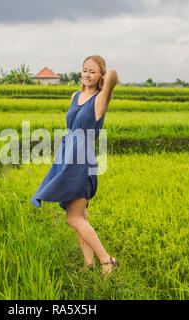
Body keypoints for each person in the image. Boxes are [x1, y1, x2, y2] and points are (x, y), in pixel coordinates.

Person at [31, 55, 120, 277]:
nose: (87, 74)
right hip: (67, 157)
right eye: (84, 70)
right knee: (81, 216)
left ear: (100, 74)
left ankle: (107, 260)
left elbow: (113, 76)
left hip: (82, 161)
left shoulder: (101, 100)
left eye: (93, 71)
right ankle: (88, 263)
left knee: (73, 218)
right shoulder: (75, 96)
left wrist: (104, 74)